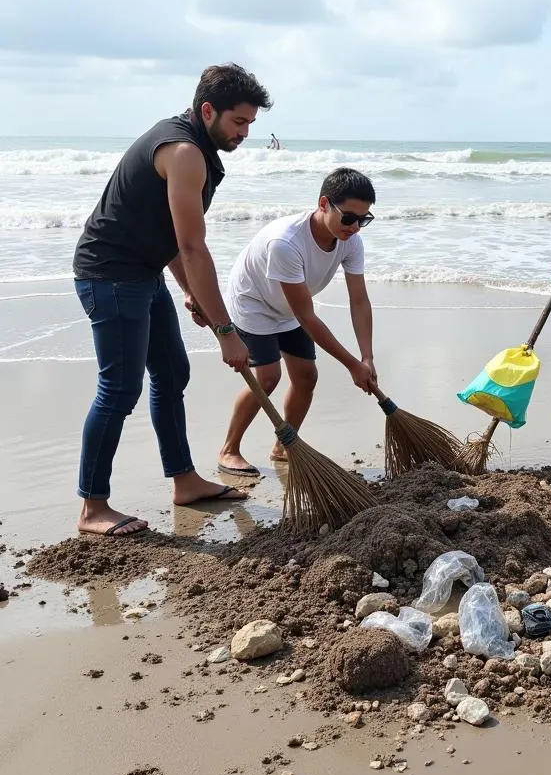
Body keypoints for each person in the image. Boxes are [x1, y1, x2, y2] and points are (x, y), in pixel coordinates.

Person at [72, 63, 274, 537]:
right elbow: (191, 245)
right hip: (111, 276)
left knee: (171, 373)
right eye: (238, 122)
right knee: (119, 390)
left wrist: (188, 290)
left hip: (142, 271)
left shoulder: (194, 142)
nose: (245, 133)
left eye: (250, 124)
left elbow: (164, 234)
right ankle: (92, 507)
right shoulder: (184, 152)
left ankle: (184, 479)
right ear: (208, 110)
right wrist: (227, 332)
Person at [216, 168, 378, 476]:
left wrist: (366, 357)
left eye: (364, 219)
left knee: (306, 376)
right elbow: (306, 316)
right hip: (255, 302)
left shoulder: (350, 241)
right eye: (349, 218)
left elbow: (359, 299)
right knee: (267, 378)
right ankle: (229, 449)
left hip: (289, 304)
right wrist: (352, 365)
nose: (356, 227)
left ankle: (283, 445)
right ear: (323, 204)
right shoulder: (286, 242)